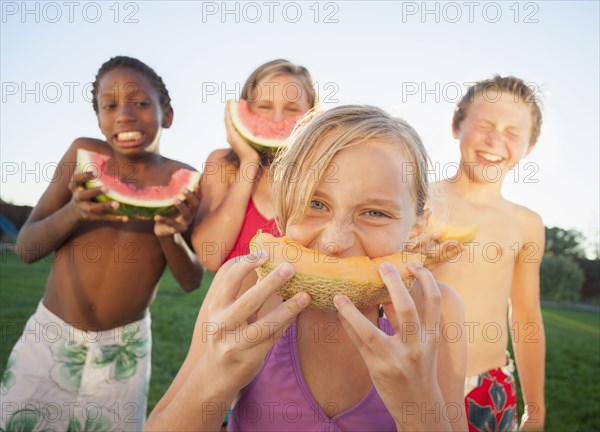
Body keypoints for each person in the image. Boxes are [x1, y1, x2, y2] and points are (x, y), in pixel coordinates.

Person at [146, 105, 468, 431]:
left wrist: (418, 405)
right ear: (284, 208)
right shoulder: (245, 288)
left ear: (416, 226)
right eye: (316, 204)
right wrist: (213, 377)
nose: (334, 241)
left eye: (375, 213)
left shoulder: (436, 313)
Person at [1, 56, 204, 431]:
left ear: (168, 114)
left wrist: (169, 235)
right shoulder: (82, 156)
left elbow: (192, 280)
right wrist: (75, 212)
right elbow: (27, 249)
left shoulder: (185, 178)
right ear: (98, 119)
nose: (124, 114)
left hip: (123, 347)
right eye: (109, 106)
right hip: (51, 332)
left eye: (140, 103)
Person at [426, 76, 546, 431]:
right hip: (413, 380)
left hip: (489, 388)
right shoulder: (416, 204)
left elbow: (526, 317)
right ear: (456, 126)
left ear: (529, 147)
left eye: (512, 132)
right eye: (484, 124)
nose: (495, 140)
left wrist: (535, 412)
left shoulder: (527, 224)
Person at [192, 59, 316, 271]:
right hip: (231, 305)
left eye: (291, 109)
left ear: (312, 115)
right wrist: (248, 162)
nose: (277, 119)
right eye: (265, 107)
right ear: (245, 110)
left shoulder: (321, 173)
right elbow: (210, 256)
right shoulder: (222, 165)